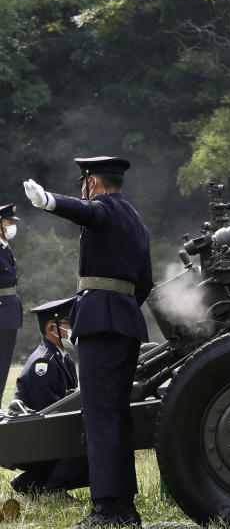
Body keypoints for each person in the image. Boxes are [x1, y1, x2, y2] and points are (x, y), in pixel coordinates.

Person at [23, 156, 152, 528]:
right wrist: (122, 309)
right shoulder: (136, 221)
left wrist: (49, 200)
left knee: (100, 418)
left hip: (101, 324)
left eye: (84, 182)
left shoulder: (104, 209)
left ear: (92, 182)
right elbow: (144, 283)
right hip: (126, 322)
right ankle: (123, 507)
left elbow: (85, 213)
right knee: (116, 416)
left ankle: (109, 510)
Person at [9, 297, 90, 496]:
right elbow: (51, 410)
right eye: (68, 323)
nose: (74, 328)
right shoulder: (43, 363)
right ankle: (55, 489)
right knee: (87, 438)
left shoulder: (64, 359)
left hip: (46, 435)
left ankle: (30, 482)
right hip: (36, 440)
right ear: (53, 329)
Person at [0, 203, 22, 407]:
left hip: (8, 313)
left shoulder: (5, 247)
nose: (12, 226)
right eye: (8, 222)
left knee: (4, 363)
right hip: (1, 313)